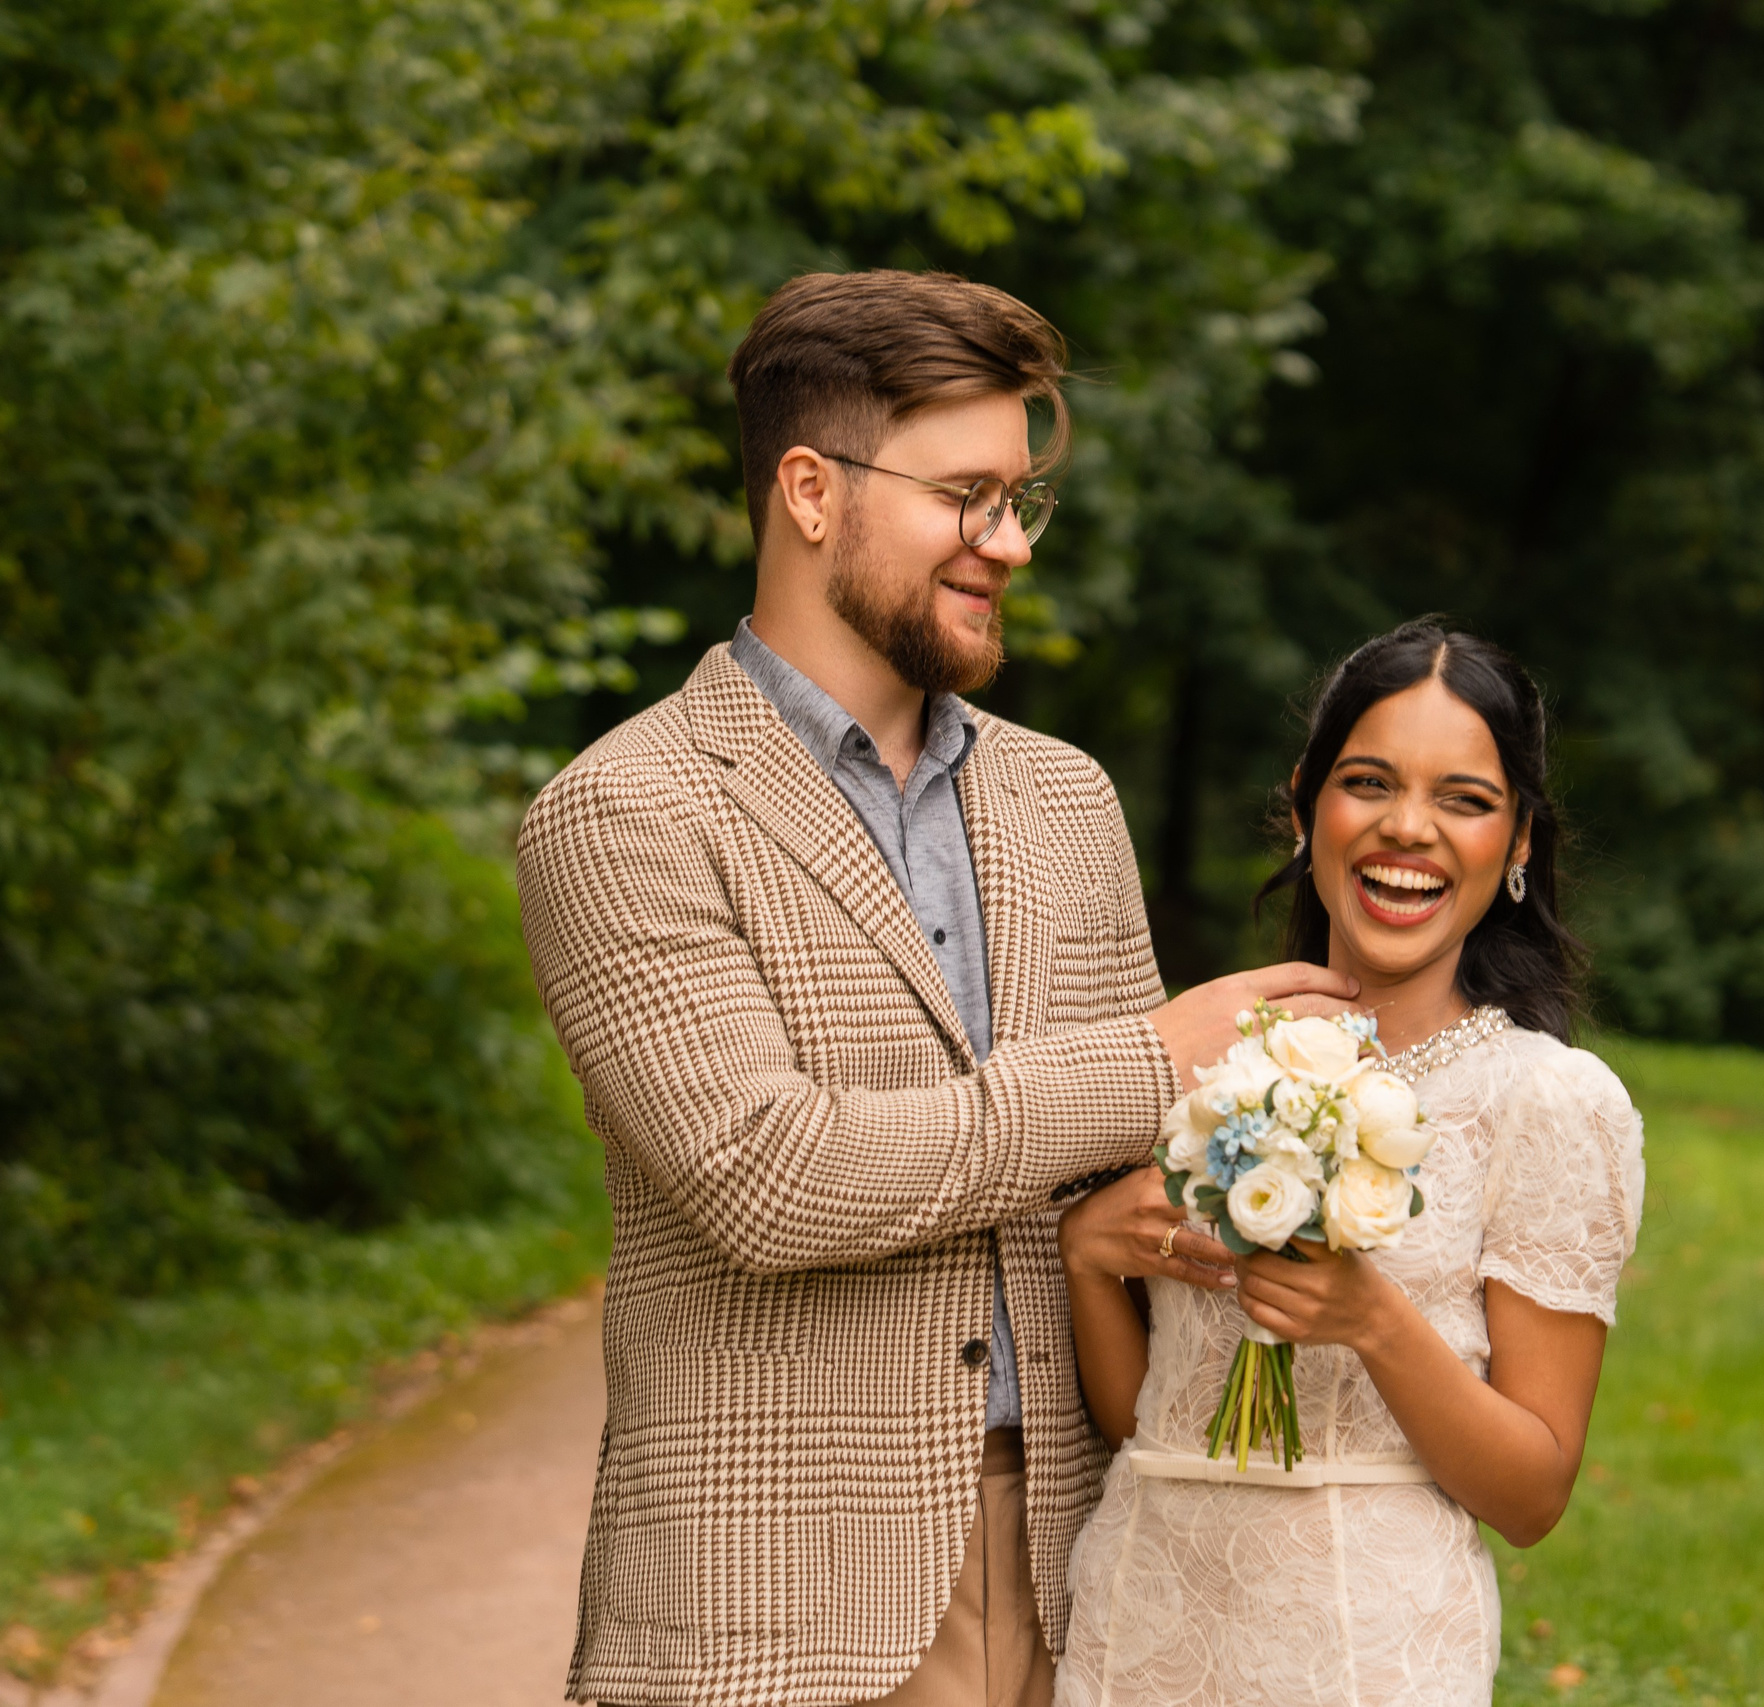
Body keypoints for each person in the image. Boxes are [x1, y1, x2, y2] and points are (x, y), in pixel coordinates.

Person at [515, 269, 1355, 1707]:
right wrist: (1149, 1057)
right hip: (771, 1610)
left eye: (1023, 499)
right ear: (810, 489)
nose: (1011, 542)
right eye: (968, 495)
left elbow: (1131, 1195)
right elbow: (766, 1176)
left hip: (1088, 1576)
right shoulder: (624, 811)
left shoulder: (1066, 798)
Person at [1054, 620, 1647, 1707]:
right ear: (1302, 804)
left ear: (1517, 843)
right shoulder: (1197, 1054)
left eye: (1465, 800)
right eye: (1367, 782)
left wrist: (1371, 1320)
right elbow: (1147, 1416)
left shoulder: (1549, 1102)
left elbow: (1531, 1495)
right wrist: (1089, 1260)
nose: (1406, 829)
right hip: (1135, 1624)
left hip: (1361, 1647)